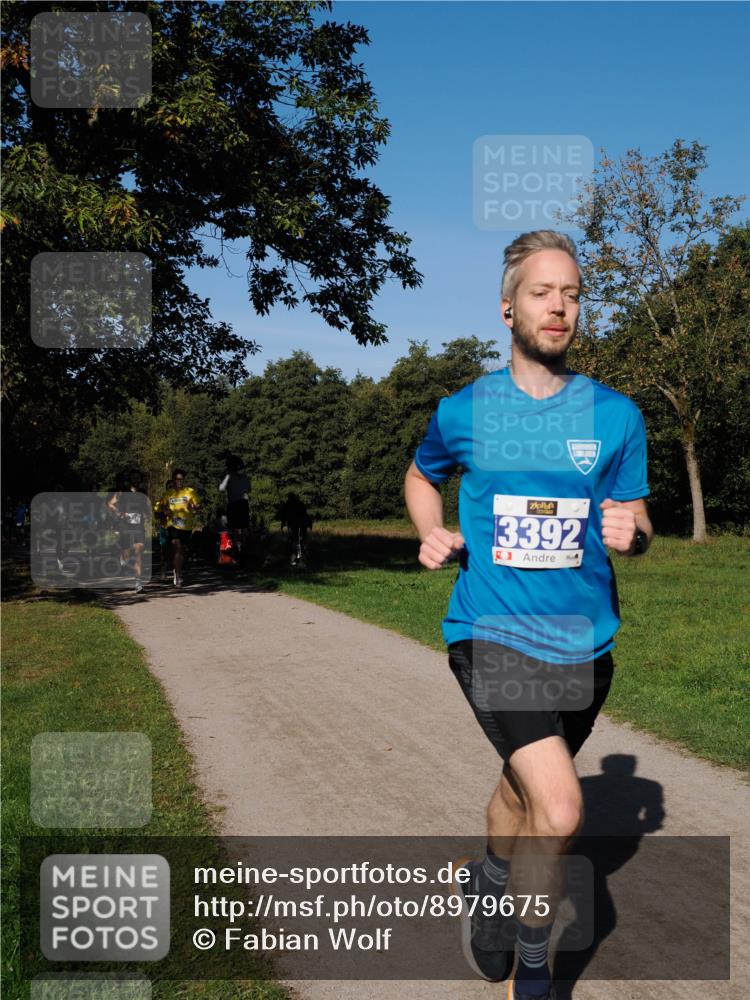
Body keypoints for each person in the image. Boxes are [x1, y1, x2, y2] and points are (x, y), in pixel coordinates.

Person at [404, 230, 653, 1000]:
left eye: (572, 294)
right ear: (507, 308)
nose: (559, 306)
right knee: (562, 803)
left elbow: (638, 517)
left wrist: (635, 534)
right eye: (543, 292)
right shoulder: (465, 410)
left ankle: (486, 880)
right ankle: (535, 973)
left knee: (522, 791)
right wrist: (430, 529)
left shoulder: (616, 416)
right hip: (491, 632)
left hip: (584, 643)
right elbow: (420, 475)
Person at [154, 469, 201, 588]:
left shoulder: (190, 491)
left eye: (181, 479)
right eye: (177, 479)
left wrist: (193, 506)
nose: (179, 481)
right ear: (173, 480)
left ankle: (177, 569)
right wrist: (164, 510)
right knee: (177, 548)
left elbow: (198, 505)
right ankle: (178, 576)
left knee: (183, 551)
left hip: (186, 526)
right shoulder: (168, 494)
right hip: (173, 525)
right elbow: (160, 507)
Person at [107, 470, 149, 593]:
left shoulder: (143, 492)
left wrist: (148, 514)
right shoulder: (123, 492)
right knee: (128, 551)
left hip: (138, 525)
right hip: (125, 525)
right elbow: (110, 504)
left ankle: (138, 583)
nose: (136, 480)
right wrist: (119, 513)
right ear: (130, 479)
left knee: (139, 550)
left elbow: (145, 508)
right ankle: (123, 558)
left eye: (138, 478)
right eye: (134, 477)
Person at [218, 456, 250, 561]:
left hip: (236, 503)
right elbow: (248, 489)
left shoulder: (234, 477)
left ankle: (240, 548)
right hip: (241, 503)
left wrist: (227, 476)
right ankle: (240, 548)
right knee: (239, 527)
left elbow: (221, 488)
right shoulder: (244, 477)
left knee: (238, 528)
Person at [278, 492, 312, 566]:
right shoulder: (298, 504)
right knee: (297, 543)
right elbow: (306, 515)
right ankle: (298, 559)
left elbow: (283, 515)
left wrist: (283, 524)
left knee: (296, 543)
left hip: (297, 527)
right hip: (297, 527)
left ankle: (298, 559)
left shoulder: (289, 505)